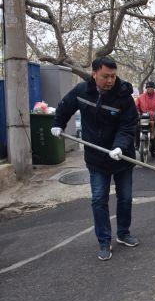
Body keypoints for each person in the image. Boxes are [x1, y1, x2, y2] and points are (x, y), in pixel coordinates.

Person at [51, 57, 139, 261]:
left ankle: (123, 233)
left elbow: (128, 125)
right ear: (95, 74)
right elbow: (65, 106)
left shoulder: (124, 95)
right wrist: (58, 123)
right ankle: (104, 241)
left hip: (121, 157)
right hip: (96, 158)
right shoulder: (82, 91)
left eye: (113, 76)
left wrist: (120, 146)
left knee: (125, 198)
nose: (110, 80)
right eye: (105, 76)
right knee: (99, 199)